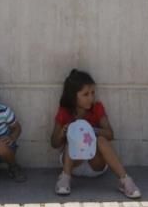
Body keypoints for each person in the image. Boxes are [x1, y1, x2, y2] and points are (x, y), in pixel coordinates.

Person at [50, 69, 141, 199]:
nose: (91, 98)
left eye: (93, 93)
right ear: (73, 96)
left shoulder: (97, 108)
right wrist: (62, 133)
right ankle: (64, 179)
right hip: (72, 165)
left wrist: (92, 130)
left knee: (102, 140)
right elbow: (54, 143)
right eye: (85, 94)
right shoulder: (64, 112)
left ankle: (125, 180)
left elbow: (110, 134)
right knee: (74, 139)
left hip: (95, 165)